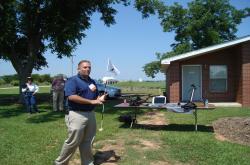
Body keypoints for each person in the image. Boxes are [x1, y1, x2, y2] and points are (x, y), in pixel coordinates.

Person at [55, 60, 107, 165]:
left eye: (89, 67)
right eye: (85, 67)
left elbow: (95, 97)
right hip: (76, 114)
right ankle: (60, 163)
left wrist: (99, 98)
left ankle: (88, 162)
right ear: (78, 69)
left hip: (90, 114)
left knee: (88, 141)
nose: (87, 69)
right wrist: (92, 101)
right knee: (73, 141)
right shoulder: (72, 80)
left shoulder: (92, 81)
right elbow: (71, 96)